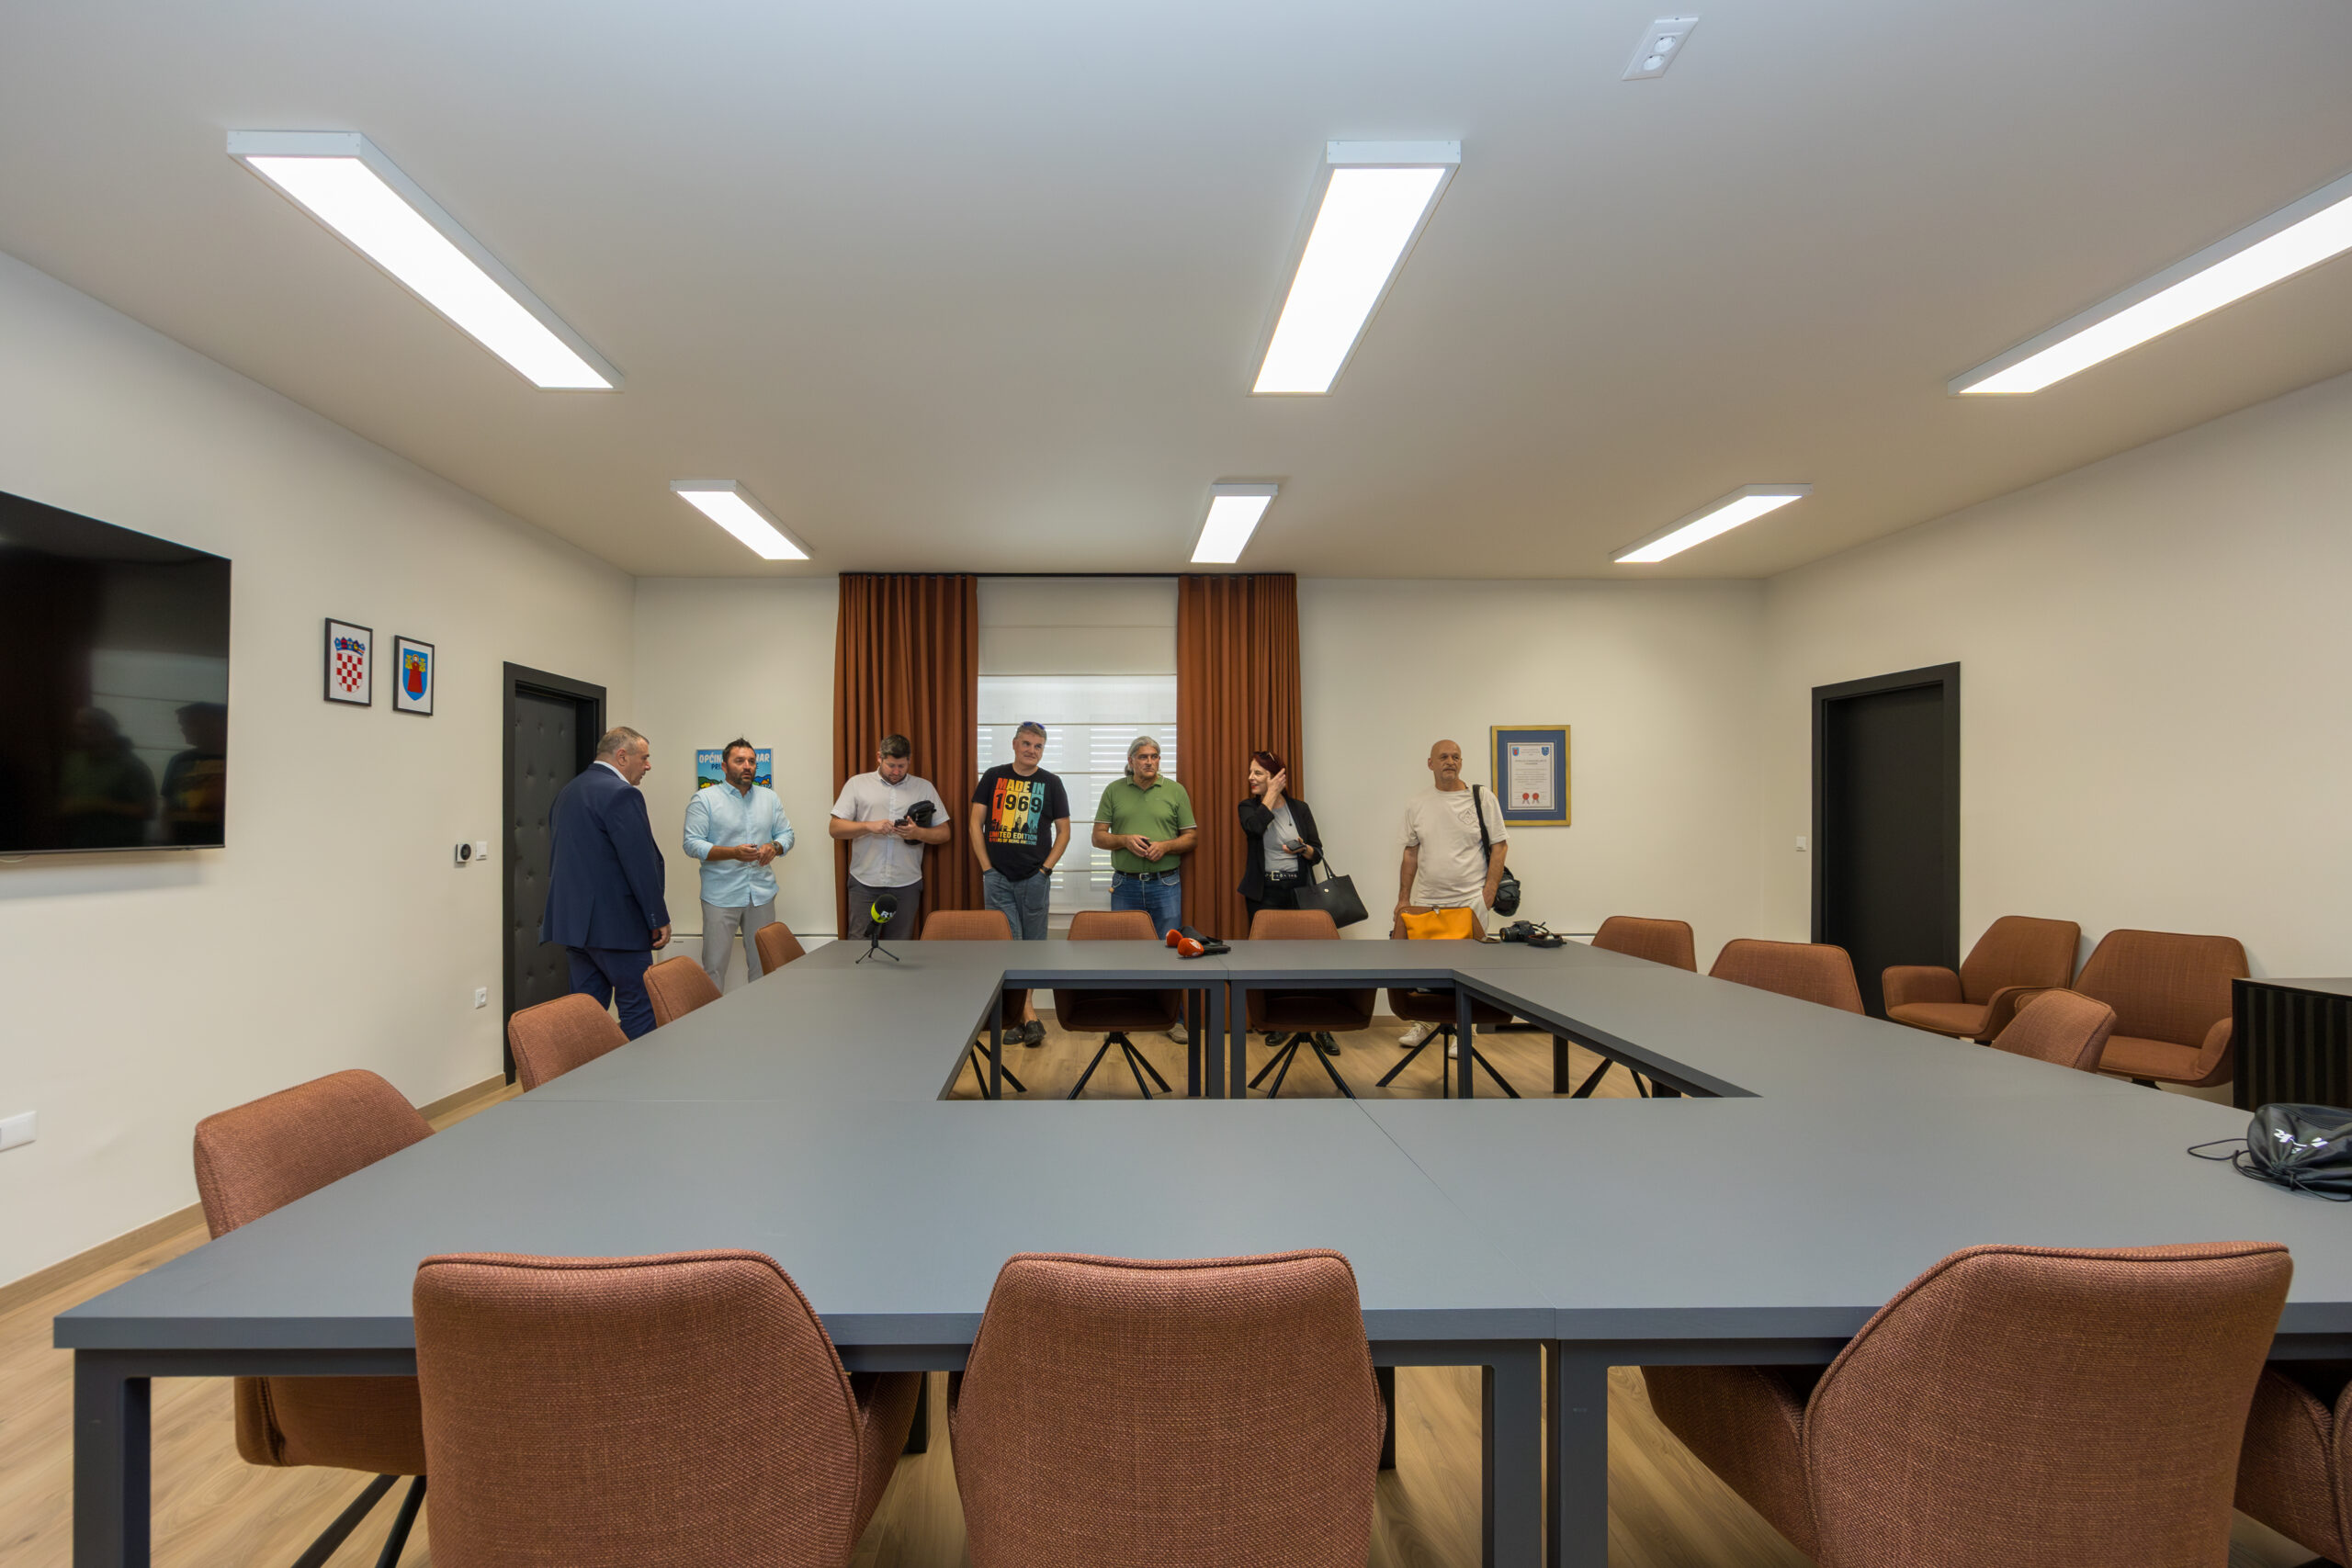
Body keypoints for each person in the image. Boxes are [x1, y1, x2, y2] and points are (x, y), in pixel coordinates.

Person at [541, 727, 671, 1040]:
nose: (648, 766)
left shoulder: (567, 792)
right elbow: (640, 864)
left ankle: (587, 1071)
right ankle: (643, 1072)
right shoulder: (622, 794)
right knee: (639, 1010)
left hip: (576, 929)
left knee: (586, 1016)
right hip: (618, 929)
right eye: (644, 758)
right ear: (622, 756)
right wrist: (657, 917)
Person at [1395, 738, 1510, 1051]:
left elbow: (1500, 846)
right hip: (1428, 900)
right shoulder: (1417, 803)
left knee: (1469, 970)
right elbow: (1410, 853)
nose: (1450, 761)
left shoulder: (1481, 798)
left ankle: (1464, 1030)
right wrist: (1404, 899)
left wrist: (1488, 892)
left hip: (1470, 900)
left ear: (1461, 762)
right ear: (1430, 763)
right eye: (1444, 756)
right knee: (1423, 967)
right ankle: (1423, 1021)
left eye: (1456, 757)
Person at [970, 721, 1071, 1045]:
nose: (1031, 750)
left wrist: (1045, 870)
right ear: (1015, 744)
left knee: (1032, 949)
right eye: (1026, 744)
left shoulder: (1051, 783)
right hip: (998, 878)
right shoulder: (993, 777)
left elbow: (1064, 832)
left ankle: (1021, 1017)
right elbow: (975, 823)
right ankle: (1028, 1017)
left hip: (1035, 879)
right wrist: (987, 869)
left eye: (1038, 746)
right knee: (1008, 945)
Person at [684, 738, 794, 989]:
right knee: (714, 967)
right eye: (740, 761)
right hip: (720, 896)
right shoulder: (704, 799)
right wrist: (732, 853)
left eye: (752, 761)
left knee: (764, 965)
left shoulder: (769, 798)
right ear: (724, 766)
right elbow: (691, 844)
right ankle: (713, 1015)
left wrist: (775, 847)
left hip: (762, 894)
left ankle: (760, 1014)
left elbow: (787, 834)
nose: (747, 766)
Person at [830, 734, 951, 942]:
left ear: (909, 760)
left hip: (907, 882)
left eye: (902, 766)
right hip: (864, 881)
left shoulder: (924, 788)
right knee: (859, 943)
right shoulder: (857, 784)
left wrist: (918, 833)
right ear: (879, 757)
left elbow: (945, 833)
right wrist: (869, 826)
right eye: (891, 765)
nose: (896, 772)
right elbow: (835, 828)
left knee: (900, 946)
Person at [1092, 735, 1197, 940]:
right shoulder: (1113, 790)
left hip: (1165, 884)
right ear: (1131, 761)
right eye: (1143, 757)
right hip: (1125, 884)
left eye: (1154, 756)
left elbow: (1191, 838)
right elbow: (1098, 838)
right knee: (1125, 945)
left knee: (1167, 945)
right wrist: (1125, 841)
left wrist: (1165, 847)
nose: (1149, 762)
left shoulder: (1176, 791)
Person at [1238, 750, 1324, 923]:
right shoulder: (1248, 807)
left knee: (1300, 940)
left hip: (1299, 892)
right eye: (1250, 772)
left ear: (1275, 777)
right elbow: (1255, 828)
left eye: (1257, 773)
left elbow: (1317, 854)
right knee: (1265, 941)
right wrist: (1272, 793)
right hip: (1264, 894)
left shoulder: (1300, 809)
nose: (1250, 778)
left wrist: (1303, 849)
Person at [56, 707, 155, 849]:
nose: (78, 732)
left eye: (85, 726)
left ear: (105, 730)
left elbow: (149, 811)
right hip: (80, 845)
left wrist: (100, 804)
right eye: (77, 726)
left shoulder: (132, 766)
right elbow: (65, 801)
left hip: (120, 849)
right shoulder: (73, 762)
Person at [159, 701, 228, 846]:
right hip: (181, 845)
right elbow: (168, 805)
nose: (183, 730)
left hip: (222, 845)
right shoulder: (179, 760)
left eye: (188, 724)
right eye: (182, 725)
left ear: (212, 725)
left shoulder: (237, 762)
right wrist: (165, 840)